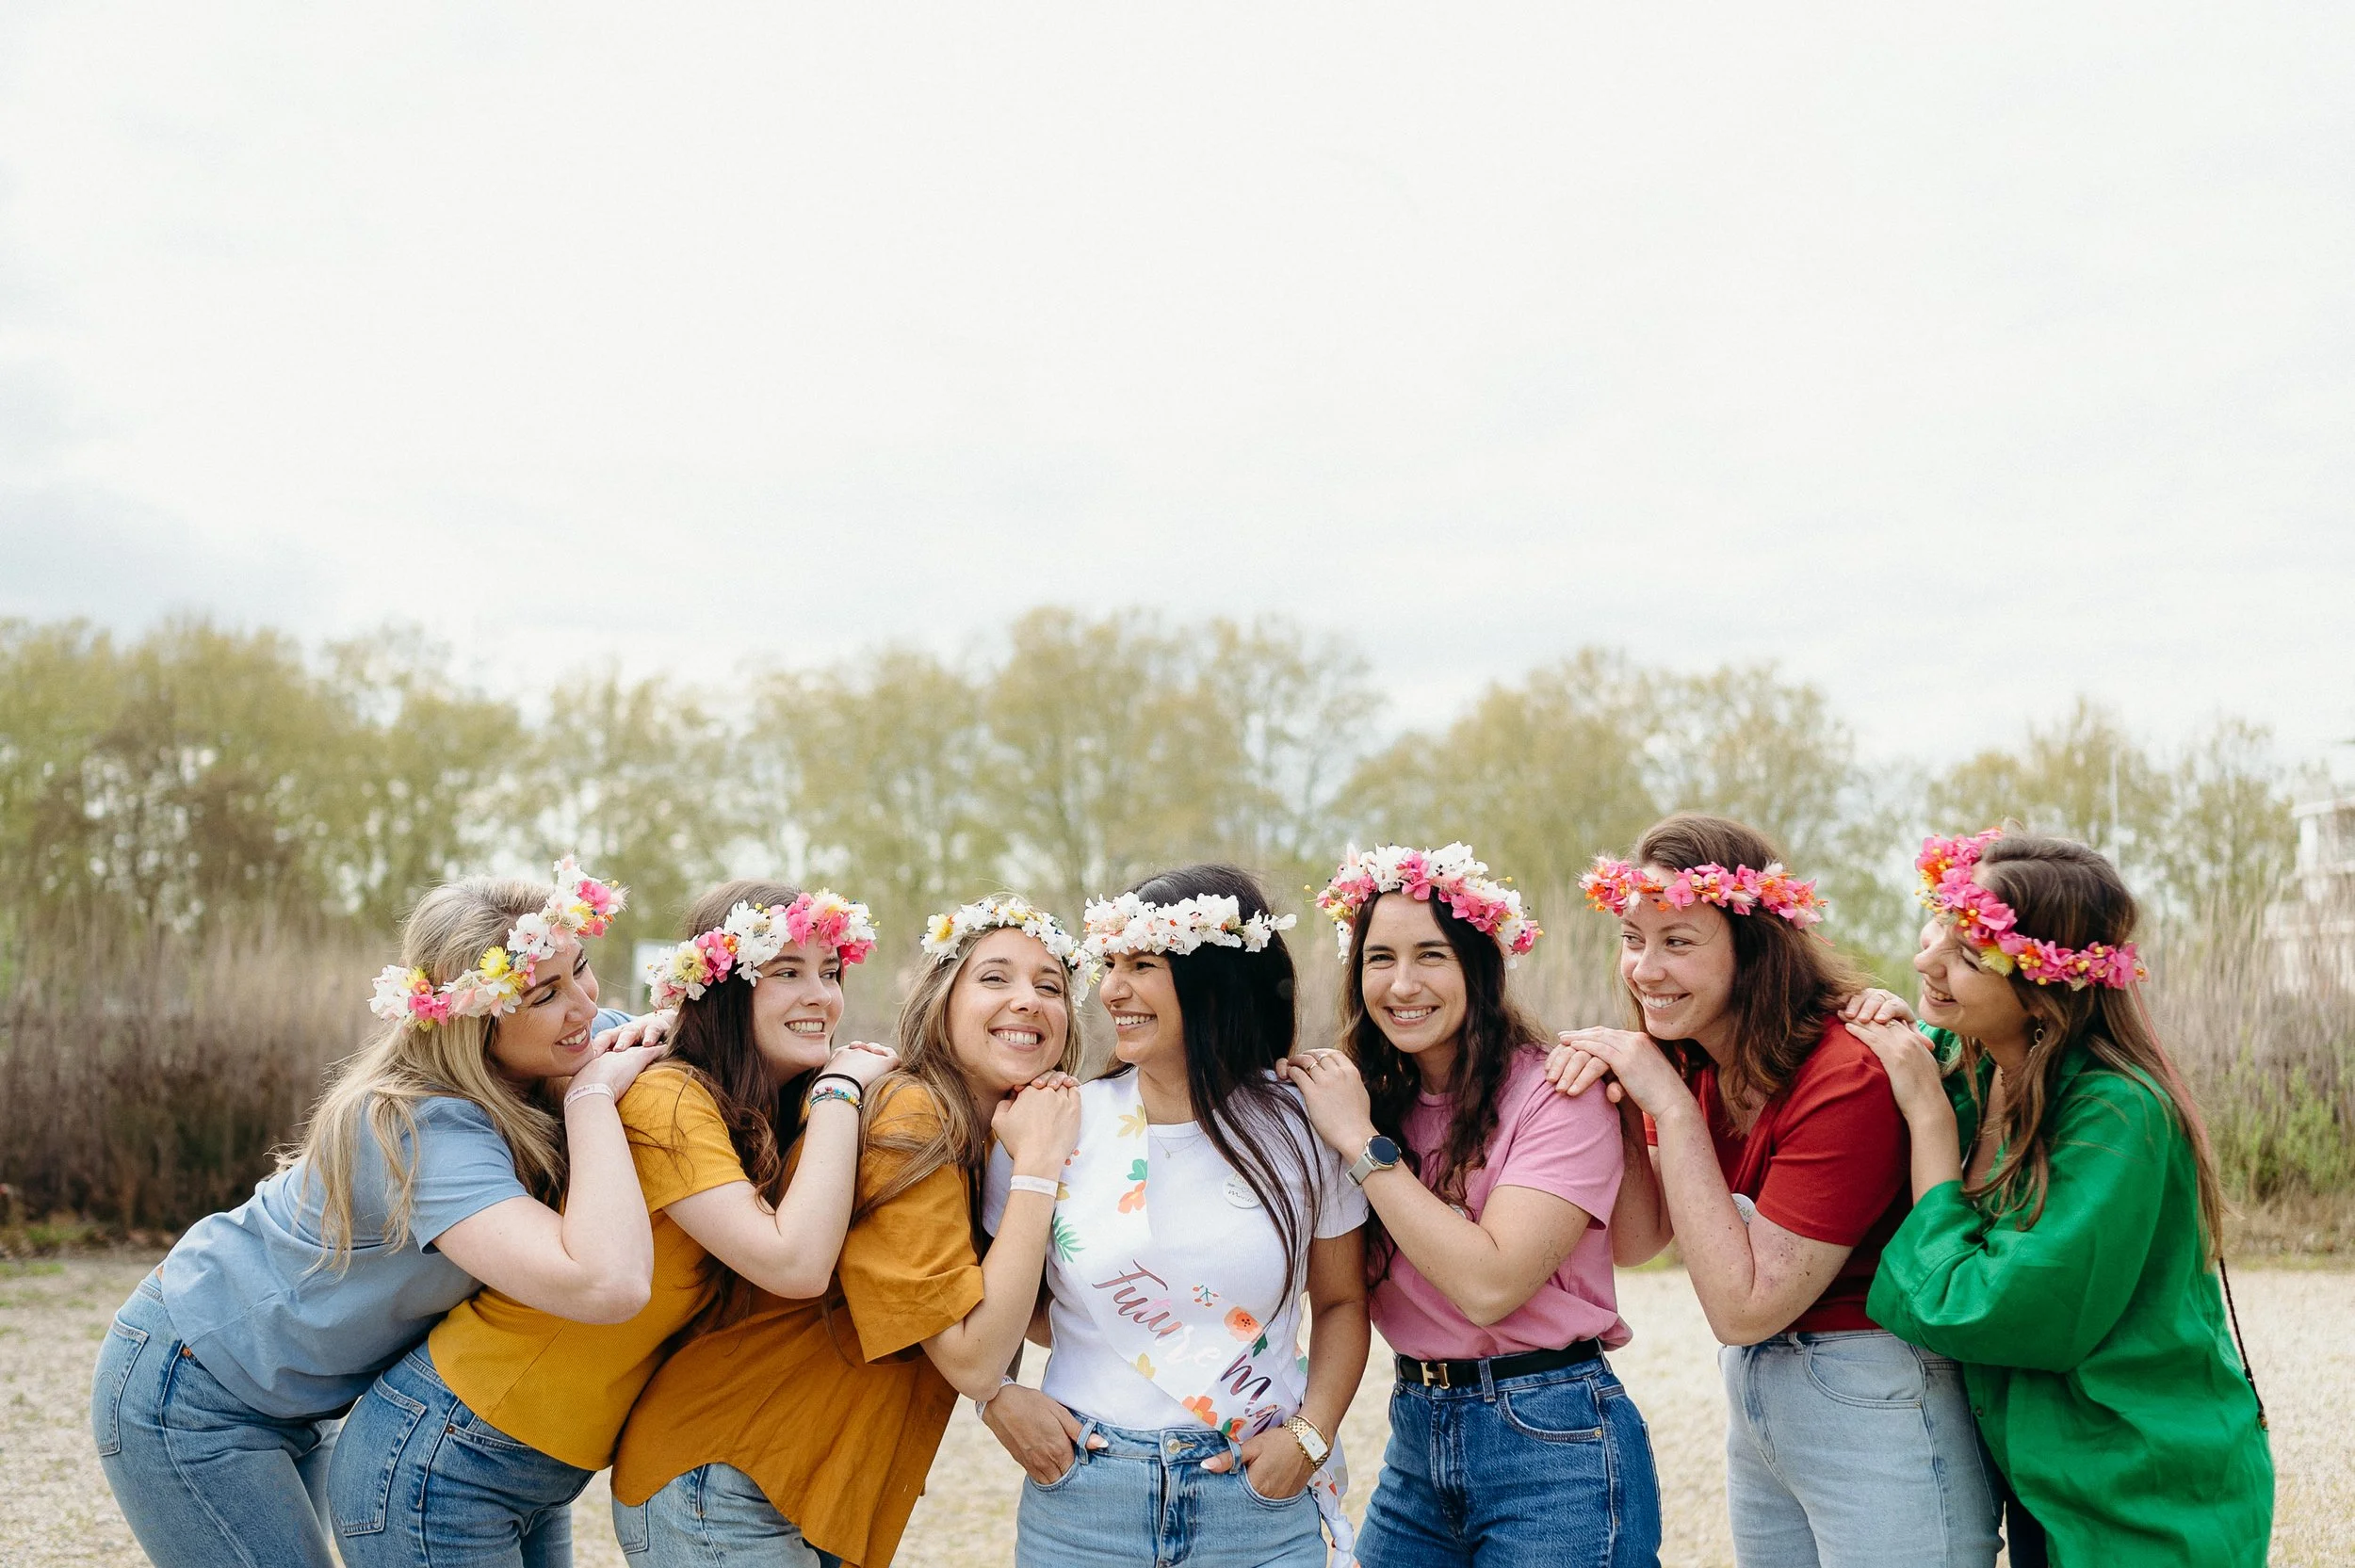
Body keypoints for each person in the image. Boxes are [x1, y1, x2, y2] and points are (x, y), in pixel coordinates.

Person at [91, 860, 662, 1568]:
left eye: (583, 969)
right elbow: (606, 1281)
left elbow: (680, 1039)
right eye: (545, 992)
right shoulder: (419, 1126)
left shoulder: (557, 1048)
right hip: (193, 1383)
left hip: (293, 1383)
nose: (584, 1005)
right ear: (472, 1020)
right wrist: (591, 1099)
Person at [327, 881, 898, 1568]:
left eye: (830, 972)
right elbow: (795, 1262)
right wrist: (842, 1090)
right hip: (442, 1455)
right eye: (786, 972)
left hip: (526, 1464)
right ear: (729, 987)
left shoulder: (733, 1095)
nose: (822, 996)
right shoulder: (669, 1096)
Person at [1550, 814, 1997, 1568]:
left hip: (1872, 1389)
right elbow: (1638, 1238)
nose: (1646, 970)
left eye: (1678, 941)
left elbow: (1744, 1304)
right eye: (1633, 939)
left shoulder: (1844, 1074)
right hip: (1761, 1392)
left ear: (1752, 947)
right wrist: (1625, 1106)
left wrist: (1670, 1108)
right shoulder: (1691, 1057)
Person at [608, 894, 1086, 1567]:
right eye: (995, 977)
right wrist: (1040, 1168)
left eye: (1051, 986)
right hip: (726, 1477)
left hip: (812, 1485)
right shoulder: (910, 1115)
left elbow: (1029, 1317)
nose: (1030, 1001)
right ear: (940, 999)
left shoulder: (997, 1134)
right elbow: (975, 1354)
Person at [1850, 828, 2273, 1567]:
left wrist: (1926, 1117)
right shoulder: (1976, 1069)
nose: (1926, 961)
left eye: (1970, 956)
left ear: (2046, 986)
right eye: (1937, 933)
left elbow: (1998, 1307)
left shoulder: (2119, 1112)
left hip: (2139, 1485)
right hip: (2046, 1474)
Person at [980, 865, 1371, 1568]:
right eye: (1112, 964)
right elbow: (1004, 1306)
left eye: (1143, 965)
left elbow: (1342, 1300)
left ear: (1210, 978)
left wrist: (1309, 1437)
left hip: (1255, 1495)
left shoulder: (1305, 1124)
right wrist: (997, 1397)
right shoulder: (1053, 1121)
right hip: (1085, 1495)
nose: (1112, 989)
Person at [1284, 842, 1663, 1568]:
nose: (1402, 984)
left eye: (1431, 955)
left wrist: (1359, 1142)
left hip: (1553, 1439)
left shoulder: (1556, 1091)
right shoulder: (1369, 1096)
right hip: (1417, 1433)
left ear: (1479, 967)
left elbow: (1490, 1284)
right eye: (1379, 958)